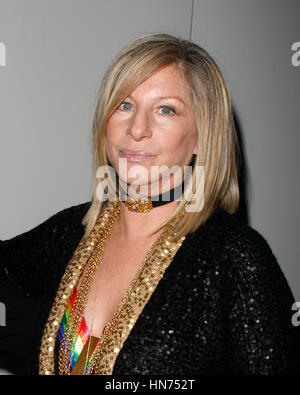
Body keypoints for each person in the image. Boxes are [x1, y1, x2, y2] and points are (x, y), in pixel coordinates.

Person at [0, 34, 299, 375]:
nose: (137, 128)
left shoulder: (235, 258)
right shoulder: (70, 230)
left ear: (202, 135)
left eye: (165, 109)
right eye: (124, 105)